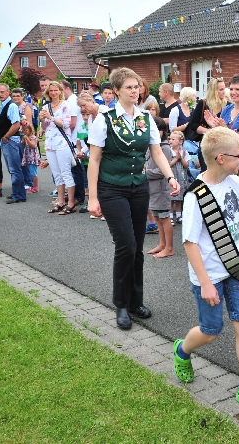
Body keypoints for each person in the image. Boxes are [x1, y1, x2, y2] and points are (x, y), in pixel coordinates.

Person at [173, 127, 239, 411]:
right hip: (209, 275)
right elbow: (190, 243)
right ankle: (182, 349)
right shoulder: (196, 196)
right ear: (220, 158)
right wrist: (205, 283)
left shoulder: (236, 183)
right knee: (211, 331)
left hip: (237, 268)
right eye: (237, 155)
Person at [87, 67, 180, 330]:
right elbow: (94, 160)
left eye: (137, 87)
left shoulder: (145, 118)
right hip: (111, 188)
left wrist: (170, 177)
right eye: (129, 87)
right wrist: (93, 197)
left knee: (137, 247)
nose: (135, 91)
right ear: (116, 90)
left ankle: (136, 301)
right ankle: (121, 304)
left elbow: (157, 152)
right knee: (125, 246)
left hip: (139, 188)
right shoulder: (104, 119)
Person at [41, 81, 78, 214]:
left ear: (60, 91)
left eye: (55, 90)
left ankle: (71, 203)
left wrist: (50, 117)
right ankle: (61, 201)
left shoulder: (65, 105)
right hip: (50, 143)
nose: (53, 93)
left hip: (62, 142)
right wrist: (42, 119)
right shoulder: (46, 106)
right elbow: (44, 127)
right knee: (56, 174)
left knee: (65, 172)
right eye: (51, 91)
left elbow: (66, 124)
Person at [146, 118, 175, 258]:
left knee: (164, 218)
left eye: (159, 130)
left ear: (163, 131)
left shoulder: (165, 148)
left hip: (161, 189)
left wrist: (145, 173)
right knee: (157, 217)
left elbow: (163, 170)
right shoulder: (150, 146)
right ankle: (162, 244)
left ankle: (169, 248)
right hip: (152, 189)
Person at [0, 84, 27, 205]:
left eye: (2, 92)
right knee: (12, 169)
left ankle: (19, 195)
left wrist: (6, 137)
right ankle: (17, 193)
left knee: (15, 169)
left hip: (11, 141)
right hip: (7, 141)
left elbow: (16, 124)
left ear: (8, 92)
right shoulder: (3, 104)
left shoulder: (11, 105)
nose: (0, 94)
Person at [187, 77, 227, 171]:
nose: (224, 92)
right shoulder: (203, 104)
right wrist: (209, 131)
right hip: (207, 145)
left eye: (224, 89)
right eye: (221, 89)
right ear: (214, 91)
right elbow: (193, 124)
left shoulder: (228, 105)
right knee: (207, 172)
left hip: (223, 146)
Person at [168, 131, 191, 225]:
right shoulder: (168, 151)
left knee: (179, 197)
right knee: (171, 197)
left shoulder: (184, 152)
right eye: (170, 139)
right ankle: (170, 215)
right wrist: (176, 159)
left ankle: (178, 215)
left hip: (181, 177)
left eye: (173, 139)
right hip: (172, 177)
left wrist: (181, 158)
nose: (170, 141)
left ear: (180, 142)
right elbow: (168, 165)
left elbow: (186, 165)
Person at [21, 123, 40, 193]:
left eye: (26, 130)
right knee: (31, 172)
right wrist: (23, 139)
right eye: (24, 130)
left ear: (31, 130)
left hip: (32, 157)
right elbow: (22, 143)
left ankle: (36, 187)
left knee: (33, 173)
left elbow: (33, 145)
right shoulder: (27, 137)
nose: (25, 131)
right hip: (28, 157)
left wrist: (27, 140)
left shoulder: (33, 138)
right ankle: (33, 186)